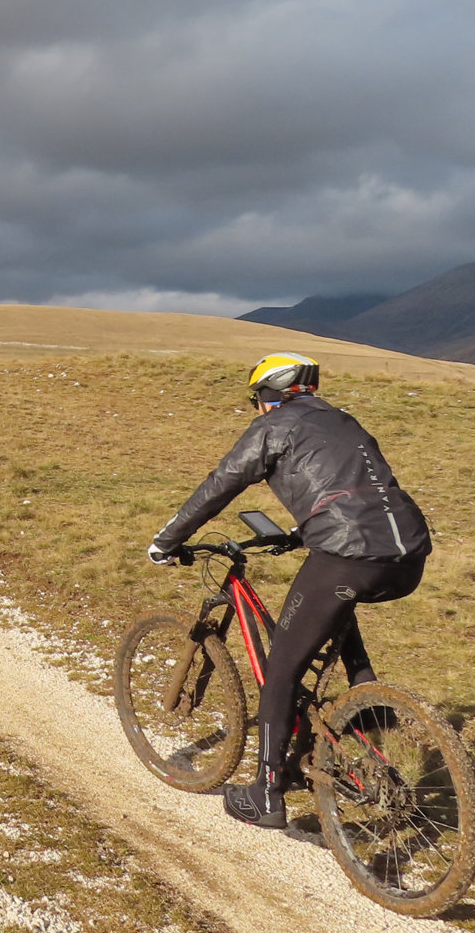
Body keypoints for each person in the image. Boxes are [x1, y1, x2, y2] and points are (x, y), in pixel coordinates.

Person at [146, 352, 431, 828]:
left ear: (266, 396)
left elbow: (221, 484)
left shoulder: (272, 427)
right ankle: (366, 708)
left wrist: (167, 540)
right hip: (409, 558)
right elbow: (358, 491)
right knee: (339, 604)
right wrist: (301, 534)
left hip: (347, 555)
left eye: (256, 399)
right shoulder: (344, 422)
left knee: (280, 669)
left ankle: (267, 794)